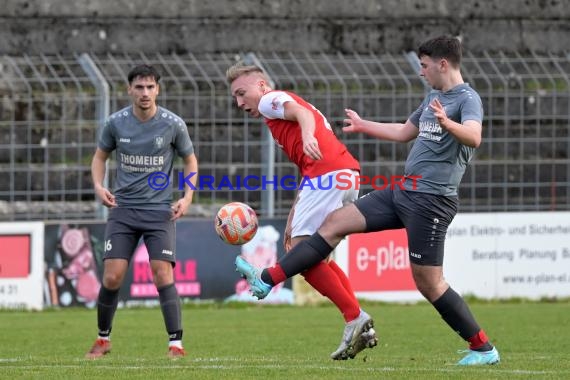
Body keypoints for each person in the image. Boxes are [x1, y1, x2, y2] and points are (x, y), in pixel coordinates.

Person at [235, 36, 501, 366]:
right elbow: (405, 131)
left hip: (432, 201)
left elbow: (474, 136)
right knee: (335, 223)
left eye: (424, 65)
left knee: (429, 283)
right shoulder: (434, 97)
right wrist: (364, 126)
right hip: (404, 191)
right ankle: (270, 280)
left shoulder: (467, 98)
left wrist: (448, 123)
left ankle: (482, 347)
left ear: (442, 64)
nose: (421, 72)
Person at [226, 62, 378, 360]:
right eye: (235, 97)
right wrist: (294, 214)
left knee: (303, 259)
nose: (239, 102)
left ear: (260, 86)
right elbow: (307, 151)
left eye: (242, 93)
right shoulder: (278, 111)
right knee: (315, 255)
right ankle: (358, 322)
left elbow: (303, 114)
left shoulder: (271, 100)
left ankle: (353, 316)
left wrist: (308, 136)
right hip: (345, 175)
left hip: (326, 176)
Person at [86, 64, 198, 359]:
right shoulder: (115, 123)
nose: (145, 93)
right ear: (129, 90)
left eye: (150, 87)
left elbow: (190, 161)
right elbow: (99, 158)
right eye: (139, 87)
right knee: (112, 277)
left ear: (157, 90)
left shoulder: (173, 124)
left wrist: (187, 197)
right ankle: (102, 339)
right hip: (123, 210)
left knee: (162, 275)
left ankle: (176, 344)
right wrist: (98, 186)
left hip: (160, 211)